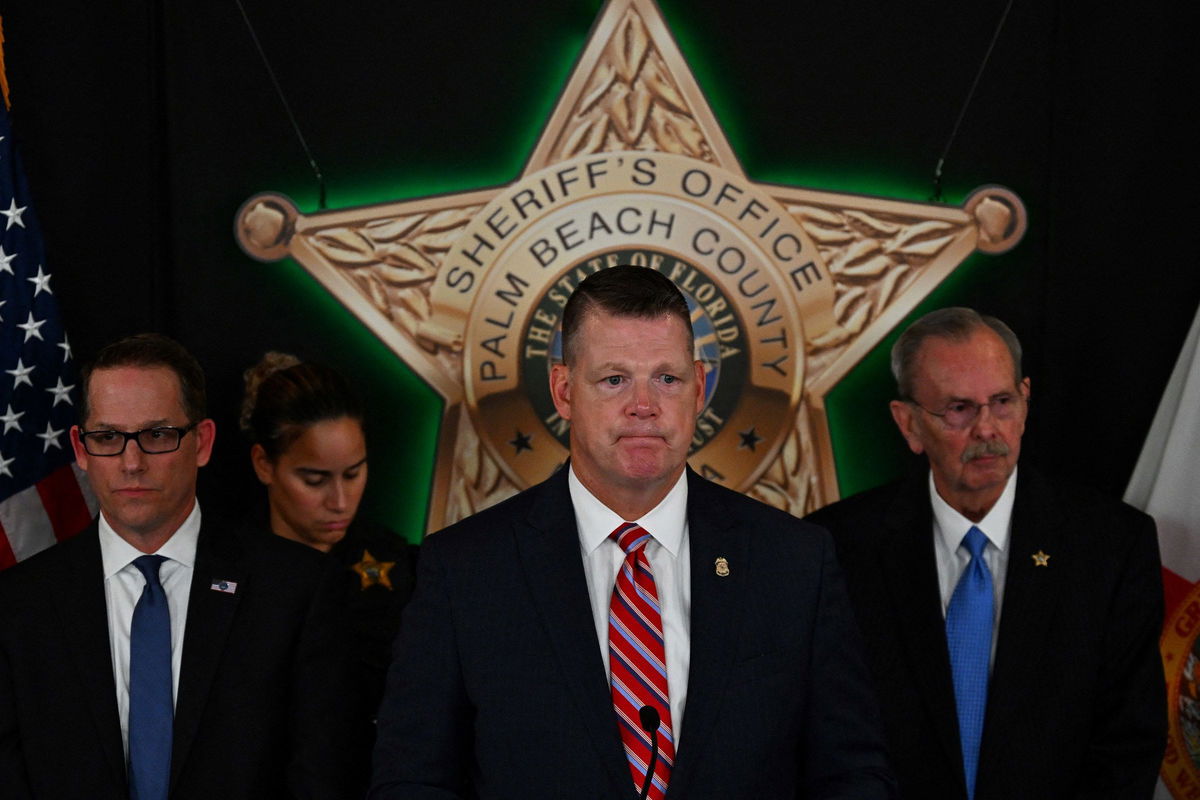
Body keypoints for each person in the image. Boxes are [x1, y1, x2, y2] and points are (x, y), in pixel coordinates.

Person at [370, 266, 896, 799]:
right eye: (614, 379)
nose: (643, 405)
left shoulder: (794, 561)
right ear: (564, 389)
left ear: (699, 388)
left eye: (666, 378)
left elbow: (852, 773)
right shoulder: (465, 571)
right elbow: (412, 780)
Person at [806, 307, 1166, 800]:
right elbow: (822, 737)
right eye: (959, 409)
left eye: (1002, 402)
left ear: (1026, 401)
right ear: (908, 424)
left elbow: (1128, 747)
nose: (987, 430)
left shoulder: (1110, 547)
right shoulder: (835, 549)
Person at [0, 333, 351, 798]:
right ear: (81, 451)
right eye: (107, 437)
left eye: (157, 435)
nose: (132, 462)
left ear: (202, 442)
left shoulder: (296, 591)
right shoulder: (17, 606)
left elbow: (321, 777)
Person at [241, 352, 416, 788]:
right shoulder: (226, 574)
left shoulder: (405, 569)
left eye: (353, 474)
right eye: (314, 480)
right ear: (264, 464)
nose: (340, 501)